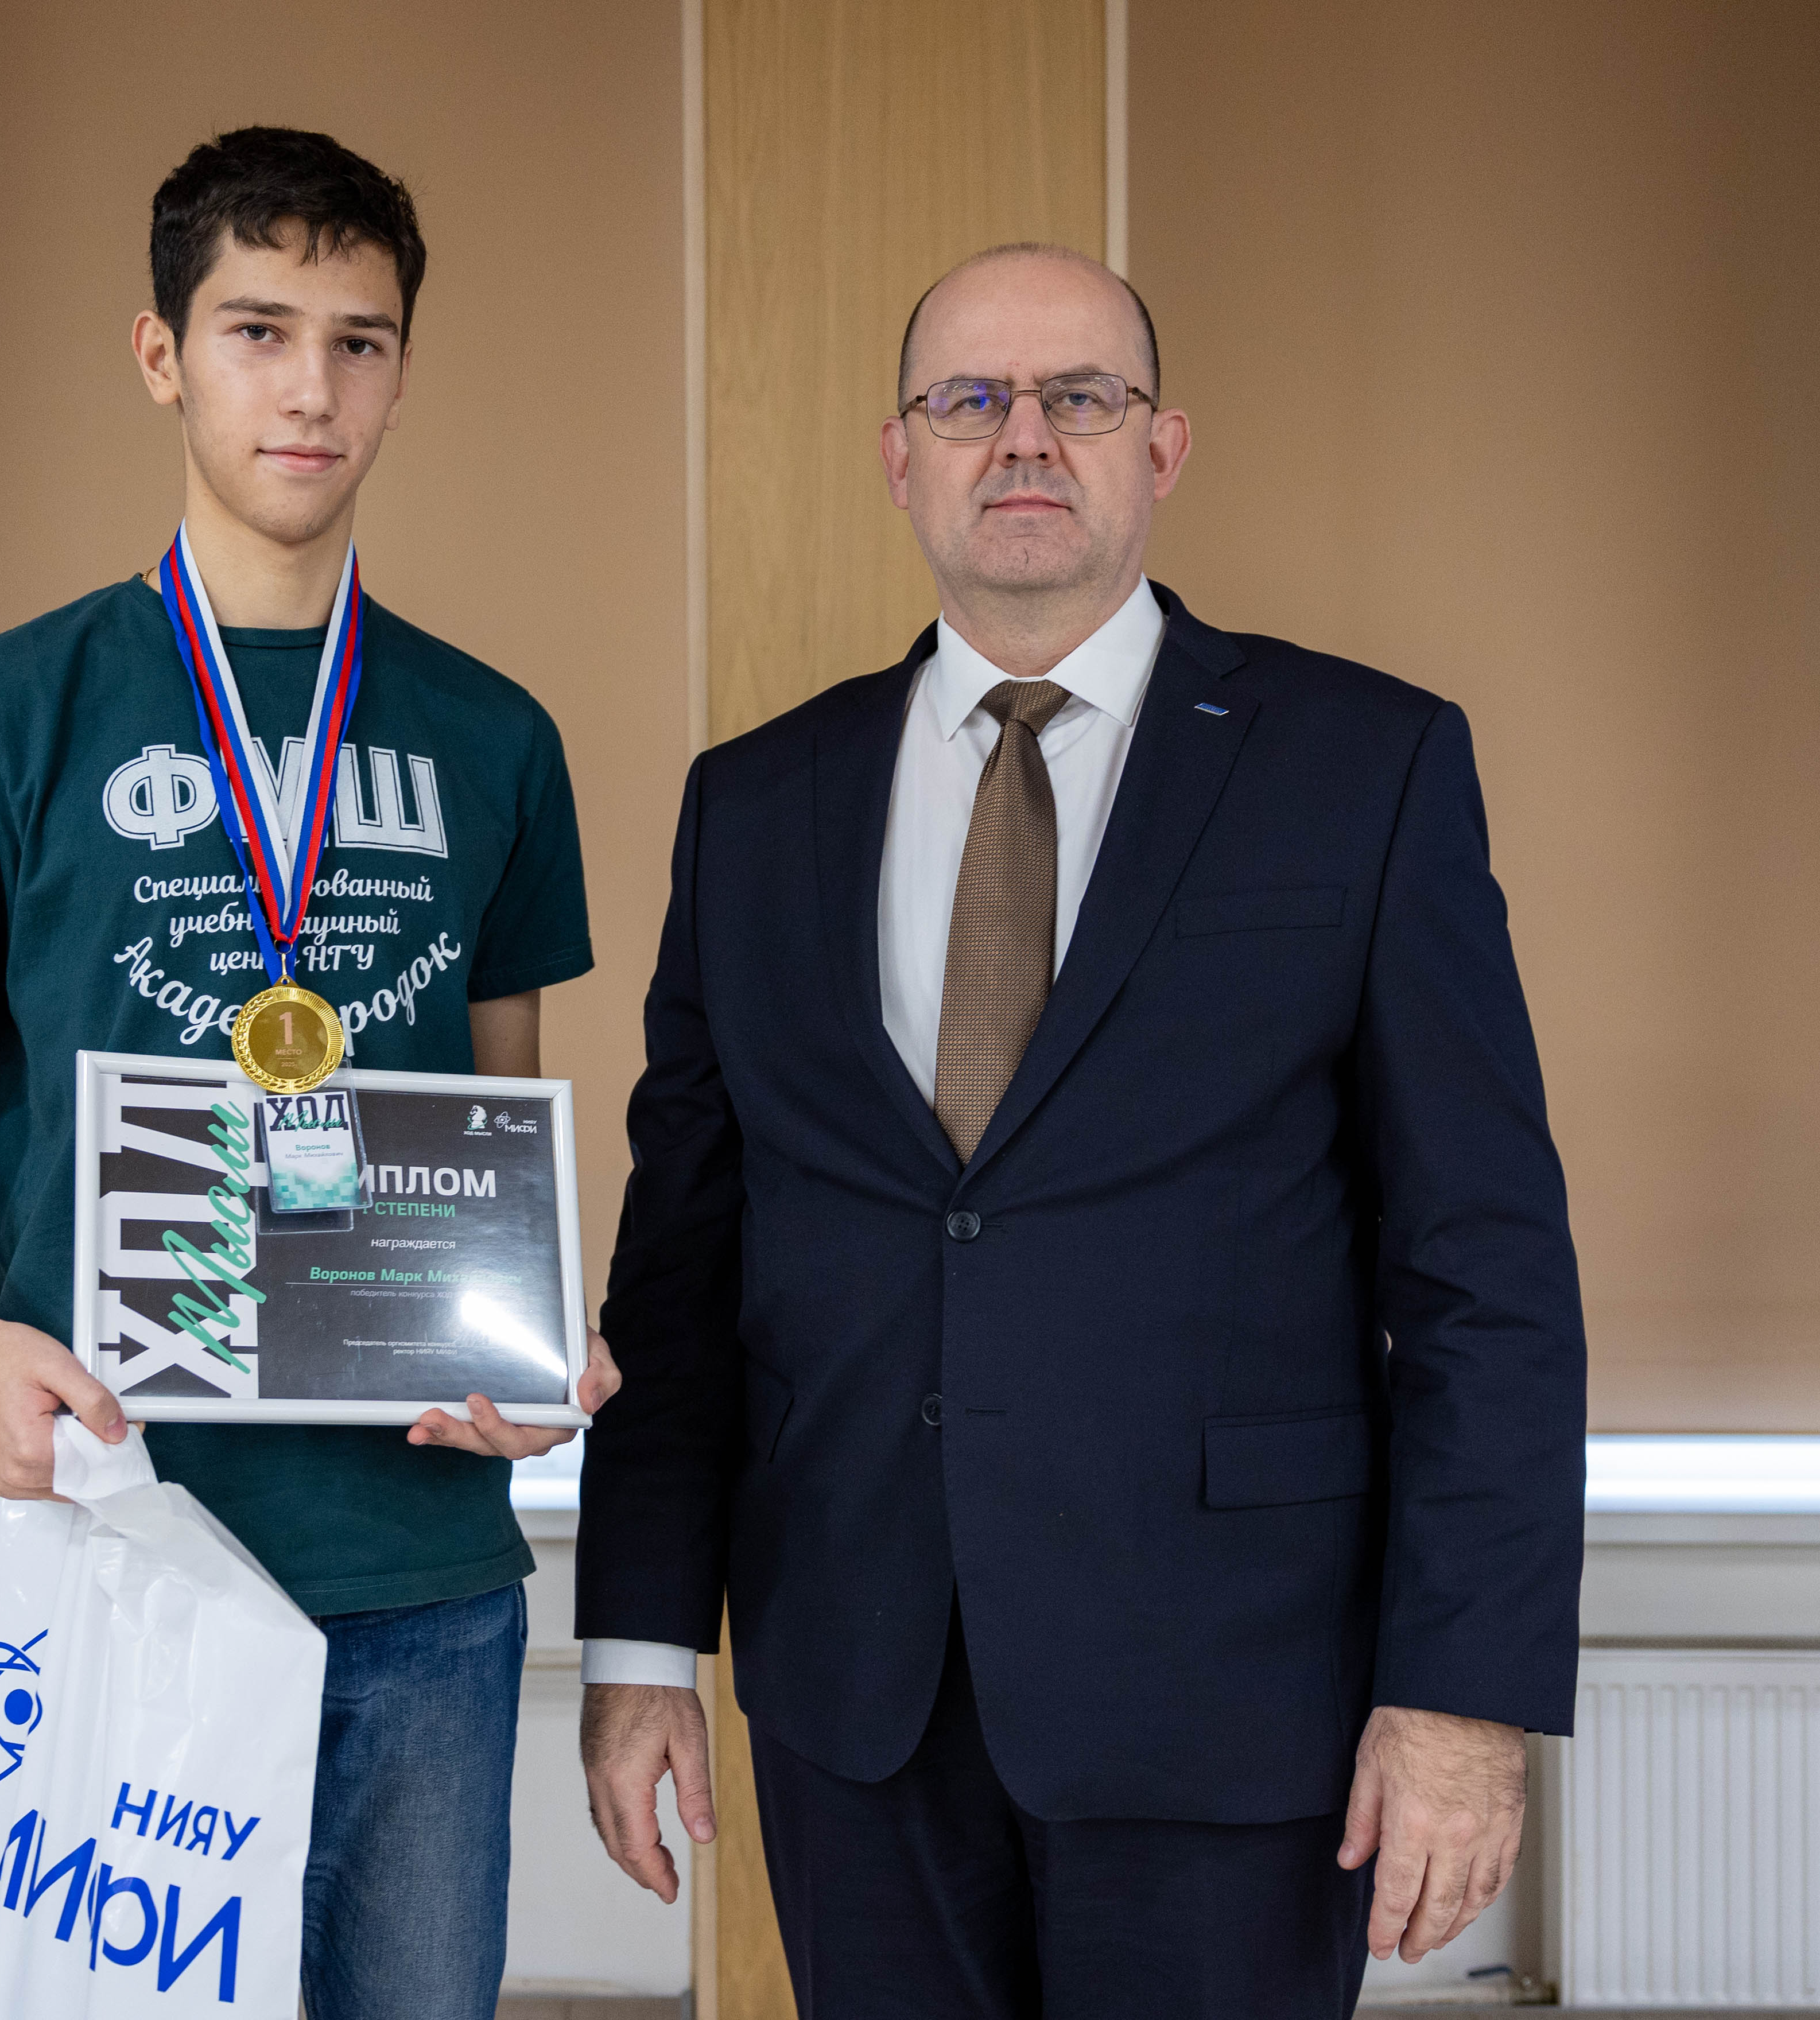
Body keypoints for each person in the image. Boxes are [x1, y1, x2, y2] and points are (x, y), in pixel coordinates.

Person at [574, 242, 1586, 2017]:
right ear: (901, 457)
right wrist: (642, 1639)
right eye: (971, 400)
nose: (1024, 437)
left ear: (1163, 448)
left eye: (1082, 398)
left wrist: (1462, 1699)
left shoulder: (1365, 766)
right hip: (856, 1691)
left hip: (1232, 1688)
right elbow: (684, 1270)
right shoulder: (754, 805)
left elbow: (1482, 1267)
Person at [0, 126, 615, 2020]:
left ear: (401, 377)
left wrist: (535, 1345)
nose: (311, 388)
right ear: (163, 355)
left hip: (417, 1581)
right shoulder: (11, 708)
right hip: (109, 1544)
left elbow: (502, 1127)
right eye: (259, 330)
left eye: (359, 341)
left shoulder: (495, 736)